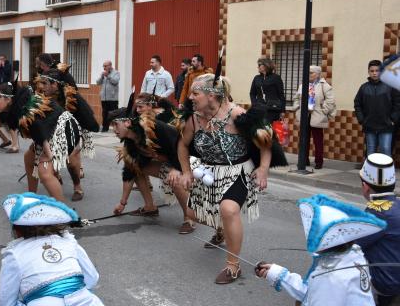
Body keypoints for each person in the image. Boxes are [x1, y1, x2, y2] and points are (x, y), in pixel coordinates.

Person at [177, 73, 286, 284]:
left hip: (237, 171)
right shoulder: (193, 118)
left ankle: (233, 266)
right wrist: (186, 172)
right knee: (191, 213)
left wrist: (263, 169)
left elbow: (266, 141)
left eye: (195, 93)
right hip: (209, 172)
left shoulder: (237, 115)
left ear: (212, 96)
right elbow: (182, 144)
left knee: (228, 209)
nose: (190, 97)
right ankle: (221, 229)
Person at [256, 194, 385, 306]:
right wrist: (277, 273)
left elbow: (314, 297)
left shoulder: (329, 276)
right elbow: (312, 292)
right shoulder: (354, 255)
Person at [109, 92, 198, 233]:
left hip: (186, 158)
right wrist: (122, 203)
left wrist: (176, 168)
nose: (114, 130)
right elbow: (128, 172)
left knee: (175, 179)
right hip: (169, 160)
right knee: (135, 166)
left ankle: (189, 218)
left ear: (127, 122)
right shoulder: (130, 141)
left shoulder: (154, 126)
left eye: (116, 125)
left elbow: (179, 145)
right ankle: (150, 207)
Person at [0, 192, 105, 306]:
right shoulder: (69, 242)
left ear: (17, 231)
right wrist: (74, 290)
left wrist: (31, 301)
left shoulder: (14, 254)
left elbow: (5, 302)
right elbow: (92, 278)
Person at [0, 83, 79, 202]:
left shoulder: (26, 111)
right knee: (29, 158)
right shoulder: (14, 107)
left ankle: (64, 212)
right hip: (49, 133)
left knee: (45, 172)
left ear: (8, 99)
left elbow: (41, 133)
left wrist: (51, 157)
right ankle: (32, 196)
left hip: (63, 132)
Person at [38, 67, 98, 201]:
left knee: (71, 160)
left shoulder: (71, 97)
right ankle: (55, 177)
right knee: (37, 155)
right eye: (41, 83)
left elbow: (88, 121)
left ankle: (77, 187)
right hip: (53, 133)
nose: (42, 87)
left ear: (55, 84)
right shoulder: (42, 98)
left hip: (75, 131)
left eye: (45, 83)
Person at [355, 153, 400, 306]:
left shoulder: (375, 212)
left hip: (387, 286)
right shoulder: (397, 204)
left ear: (366, 186)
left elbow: (354, 244)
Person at [293, 65, 336, 169]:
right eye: (308, 72)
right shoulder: (303, 85)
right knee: (304, 139)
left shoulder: (324, 85)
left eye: (311, 73)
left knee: (318, 140)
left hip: (317, 115)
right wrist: (297, 108)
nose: (309, 75)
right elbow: (297, 98)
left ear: (317, 74)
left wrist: (323, 111)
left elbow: (330, 100)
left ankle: (318, 162)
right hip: (305, 115)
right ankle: (304, 160)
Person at [354, 60, 400, 157]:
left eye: (377, 70)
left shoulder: (390, 86)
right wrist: (362, 119)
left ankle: (387, 172)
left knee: (385, 150)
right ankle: (371, 172)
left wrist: (392, 119)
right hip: (369, 126)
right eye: (372, 71)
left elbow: (397, 104)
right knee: (370, 152)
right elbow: (357, 103)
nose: (374, 73)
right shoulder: (364, 88)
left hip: (386, 125)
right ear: (368, 72)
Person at [249, 57, 285, 123]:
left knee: (270, 130)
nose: (258, 67)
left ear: (266, 66)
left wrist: (282, 111)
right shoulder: (257, 78)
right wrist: (254, 104)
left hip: (273, 110)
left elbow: (281, 95)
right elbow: (252, 93)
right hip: (259, 109)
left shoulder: (276, 78)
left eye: (259, 65)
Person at [96, 60, 120, 132]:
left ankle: (117, 127)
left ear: (110, 65)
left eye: (105, 66)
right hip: (104, 97)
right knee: (104, 113)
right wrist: (102, 77)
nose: (104, 67)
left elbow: (115, 81)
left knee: (114, 113)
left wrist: (108, 76)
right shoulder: (103, 74)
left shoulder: (116, 73)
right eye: (103, 66)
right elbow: (98, 83)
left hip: (113, 98)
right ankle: (105, 128)